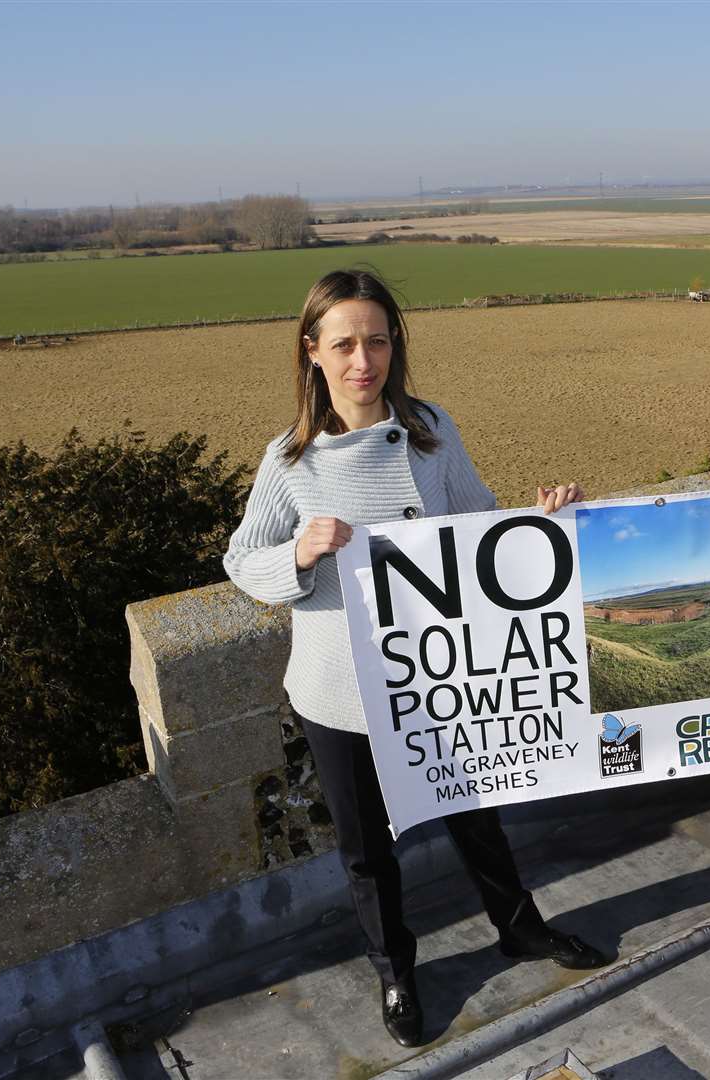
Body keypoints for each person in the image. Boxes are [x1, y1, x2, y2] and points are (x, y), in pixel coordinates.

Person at [224, 269, 606, 1048]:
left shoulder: (431, 429)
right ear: (312, 352)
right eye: (344, 344)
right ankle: (396, 969)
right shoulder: (291, 459)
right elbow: (241, 559)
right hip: (339, 689)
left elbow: (478, 534)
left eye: (377, 340)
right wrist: (297, 552)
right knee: (365, 851)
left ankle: (520, 928)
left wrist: (543, 524)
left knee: (477, 817)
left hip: (438, 674)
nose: (362, 360)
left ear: (394, 345)